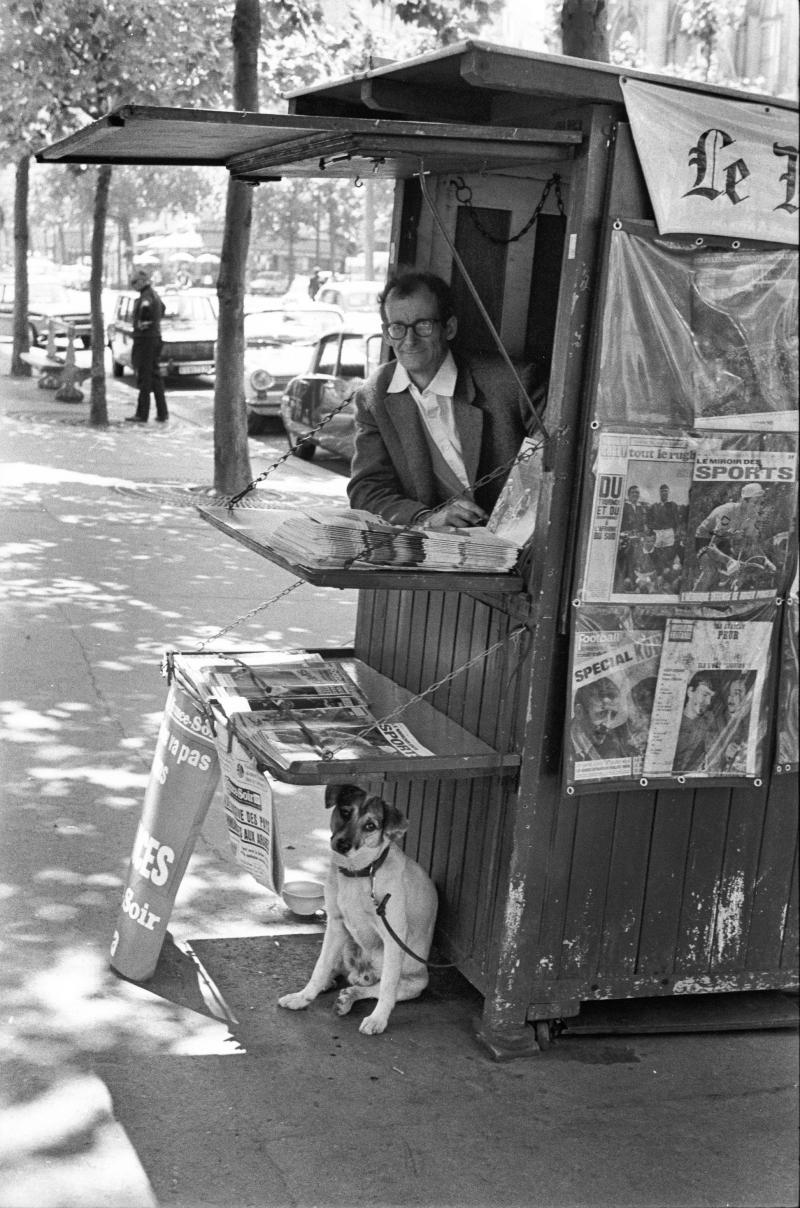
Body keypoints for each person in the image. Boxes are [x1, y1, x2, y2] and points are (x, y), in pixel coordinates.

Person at [347, 270, 530, 529]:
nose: (409, 340)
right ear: (387, 334)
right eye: (397, 328)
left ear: (449, 328)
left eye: (423, 326)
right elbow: (368, 491)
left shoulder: (513, 383)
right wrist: (427, 519)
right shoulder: (374, 394)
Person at [692, 482, 766, 591]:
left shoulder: (752, 515)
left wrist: (765, 560)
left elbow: (749, 538)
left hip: (725, 539)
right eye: (755, 503)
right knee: (710, 571)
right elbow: (712, 546)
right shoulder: (727, 512)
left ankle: (721, 599)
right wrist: (729, 560)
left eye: (760, 503)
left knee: (735, 570)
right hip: (705, 538)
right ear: (744, 501)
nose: (758, 507)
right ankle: (689, 604)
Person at [125, 267, 169, 424]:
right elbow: (162, 308)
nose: (133, 285)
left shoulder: (146, 297)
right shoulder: (154, 295)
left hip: (145, 340)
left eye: (134, 282)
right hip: (154, 338)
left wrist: (144, 323)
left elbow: (145, 309)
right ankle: (162, 413)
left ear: (143, 282)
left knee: (144, 377)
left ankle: (142, 414)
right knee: (155, 376)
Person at [570, 677, 632, 763]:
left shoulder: (613, 746)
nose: (608, 725)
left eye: (613, 715)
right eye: (601, 714)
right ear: (579, 712)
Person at [673, 672, 718, 772]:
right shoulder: (672, 720)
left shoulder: (710, 720)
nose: (708, 702)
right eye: (705, 695)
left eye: (711, 697)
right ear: (690, 692)